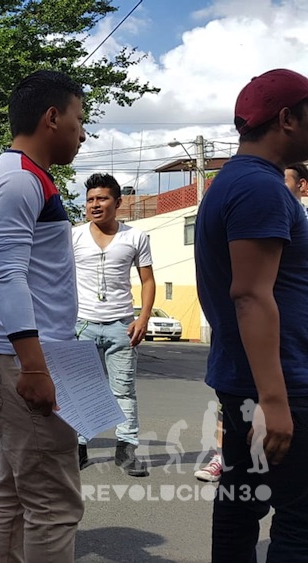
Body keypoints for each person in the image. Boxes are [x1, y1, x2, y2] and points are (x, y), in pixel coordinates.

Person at [0, 69, 86, 562]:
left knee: (17, 493)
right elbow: (8, 277)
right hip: (21, 359)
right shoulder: (19, 180)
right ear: (51, 117)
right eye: (80, 120)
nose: (82, 134)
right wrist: (35, 368)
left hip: (19, 355)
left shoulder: (21, 175)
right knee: (53, 505)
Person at [194, 68, 308, 562]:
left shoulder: (232, 183)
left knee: (241, 502)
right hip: (280, 386)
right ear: (287, 118)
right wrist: (275, 401)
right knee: (300, 520)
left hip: (249, 381)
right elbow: (250, 296)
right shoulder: (260, 189)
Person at [72, 172, 155, 477]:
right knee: (82, 388)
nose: (95, 204)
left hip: (122, 325)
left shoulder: (136, 237)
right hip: (82, 325)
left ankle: (126, 450)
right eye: (90, 199)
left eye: (102, 198)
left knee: (123, 390)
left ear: (118, 202)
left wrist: (143, 318)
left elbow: (148, 281)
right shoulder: (74, 236)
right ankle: (78, 447)